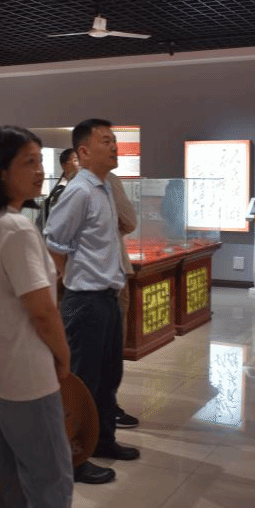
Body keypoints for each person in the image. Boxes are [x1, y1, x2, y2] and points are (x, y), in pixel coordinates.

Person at [0, 125, 73, 508]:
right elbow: (42, 311)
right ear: (2, 171)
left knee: (5, 477)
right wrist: (63, 356)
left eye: (40, 161)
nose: (40, 171)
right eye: (29, 162)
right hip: (27, 376)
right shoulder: (16, 228)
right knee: (51, 481)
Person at [44, 118, 140, 485]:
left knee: (108, 376)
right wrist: (68, 284)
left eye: (114, 140)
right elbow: (55, 242)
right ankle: (74, 457)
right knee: (82, 382)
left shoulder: (103, 188)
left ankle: (102, 441)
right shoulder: (79, 191)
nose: (114, 146)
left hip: (107, 298)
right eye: (106, 141)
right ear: (83, 152)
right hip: (85, 301)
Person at [106, 170, 140, 429]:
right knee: (110, 346)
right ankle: (106, 409)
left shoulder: (76, 183)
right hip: (109, 276)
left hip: (97, 279)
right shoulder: (107, 180)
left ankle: (102, 410)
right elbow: (129, 221)